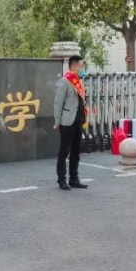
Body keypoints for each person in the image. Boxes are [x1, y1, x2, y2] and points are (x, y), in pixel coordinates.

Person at [53, 55, 89, 190]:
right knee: (64, 151)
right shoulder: (64, 81)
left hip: (78, 120)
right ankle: (61, 179)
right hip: (67, 121)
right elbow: (58, 103)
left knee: (76, 151)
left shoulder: (78, 81)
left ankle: (74, 179)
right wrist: (57, 122)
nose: (82, 68)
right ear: (74, 66)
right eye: (81, 66)